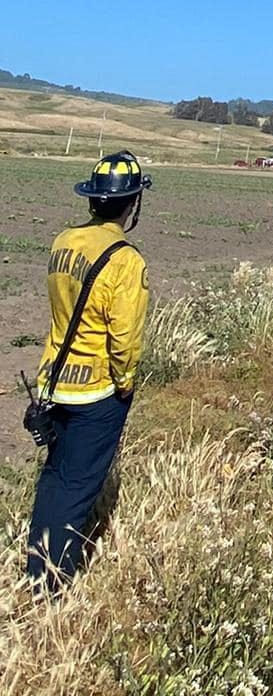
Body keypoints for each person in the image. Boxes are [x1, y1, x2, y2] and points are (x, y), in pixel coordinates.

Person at [26, 151, 151, 590]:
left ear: (92, 200)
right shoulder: (125, 260)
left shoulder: (64, 242)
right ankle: (51, 584)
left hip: (52, 382)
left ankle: (33, 567)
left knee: (55, 479)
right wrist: (125, 383)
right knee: (79, 488)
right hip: (97, 390)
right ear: (132, 203)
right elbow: (124, 339)